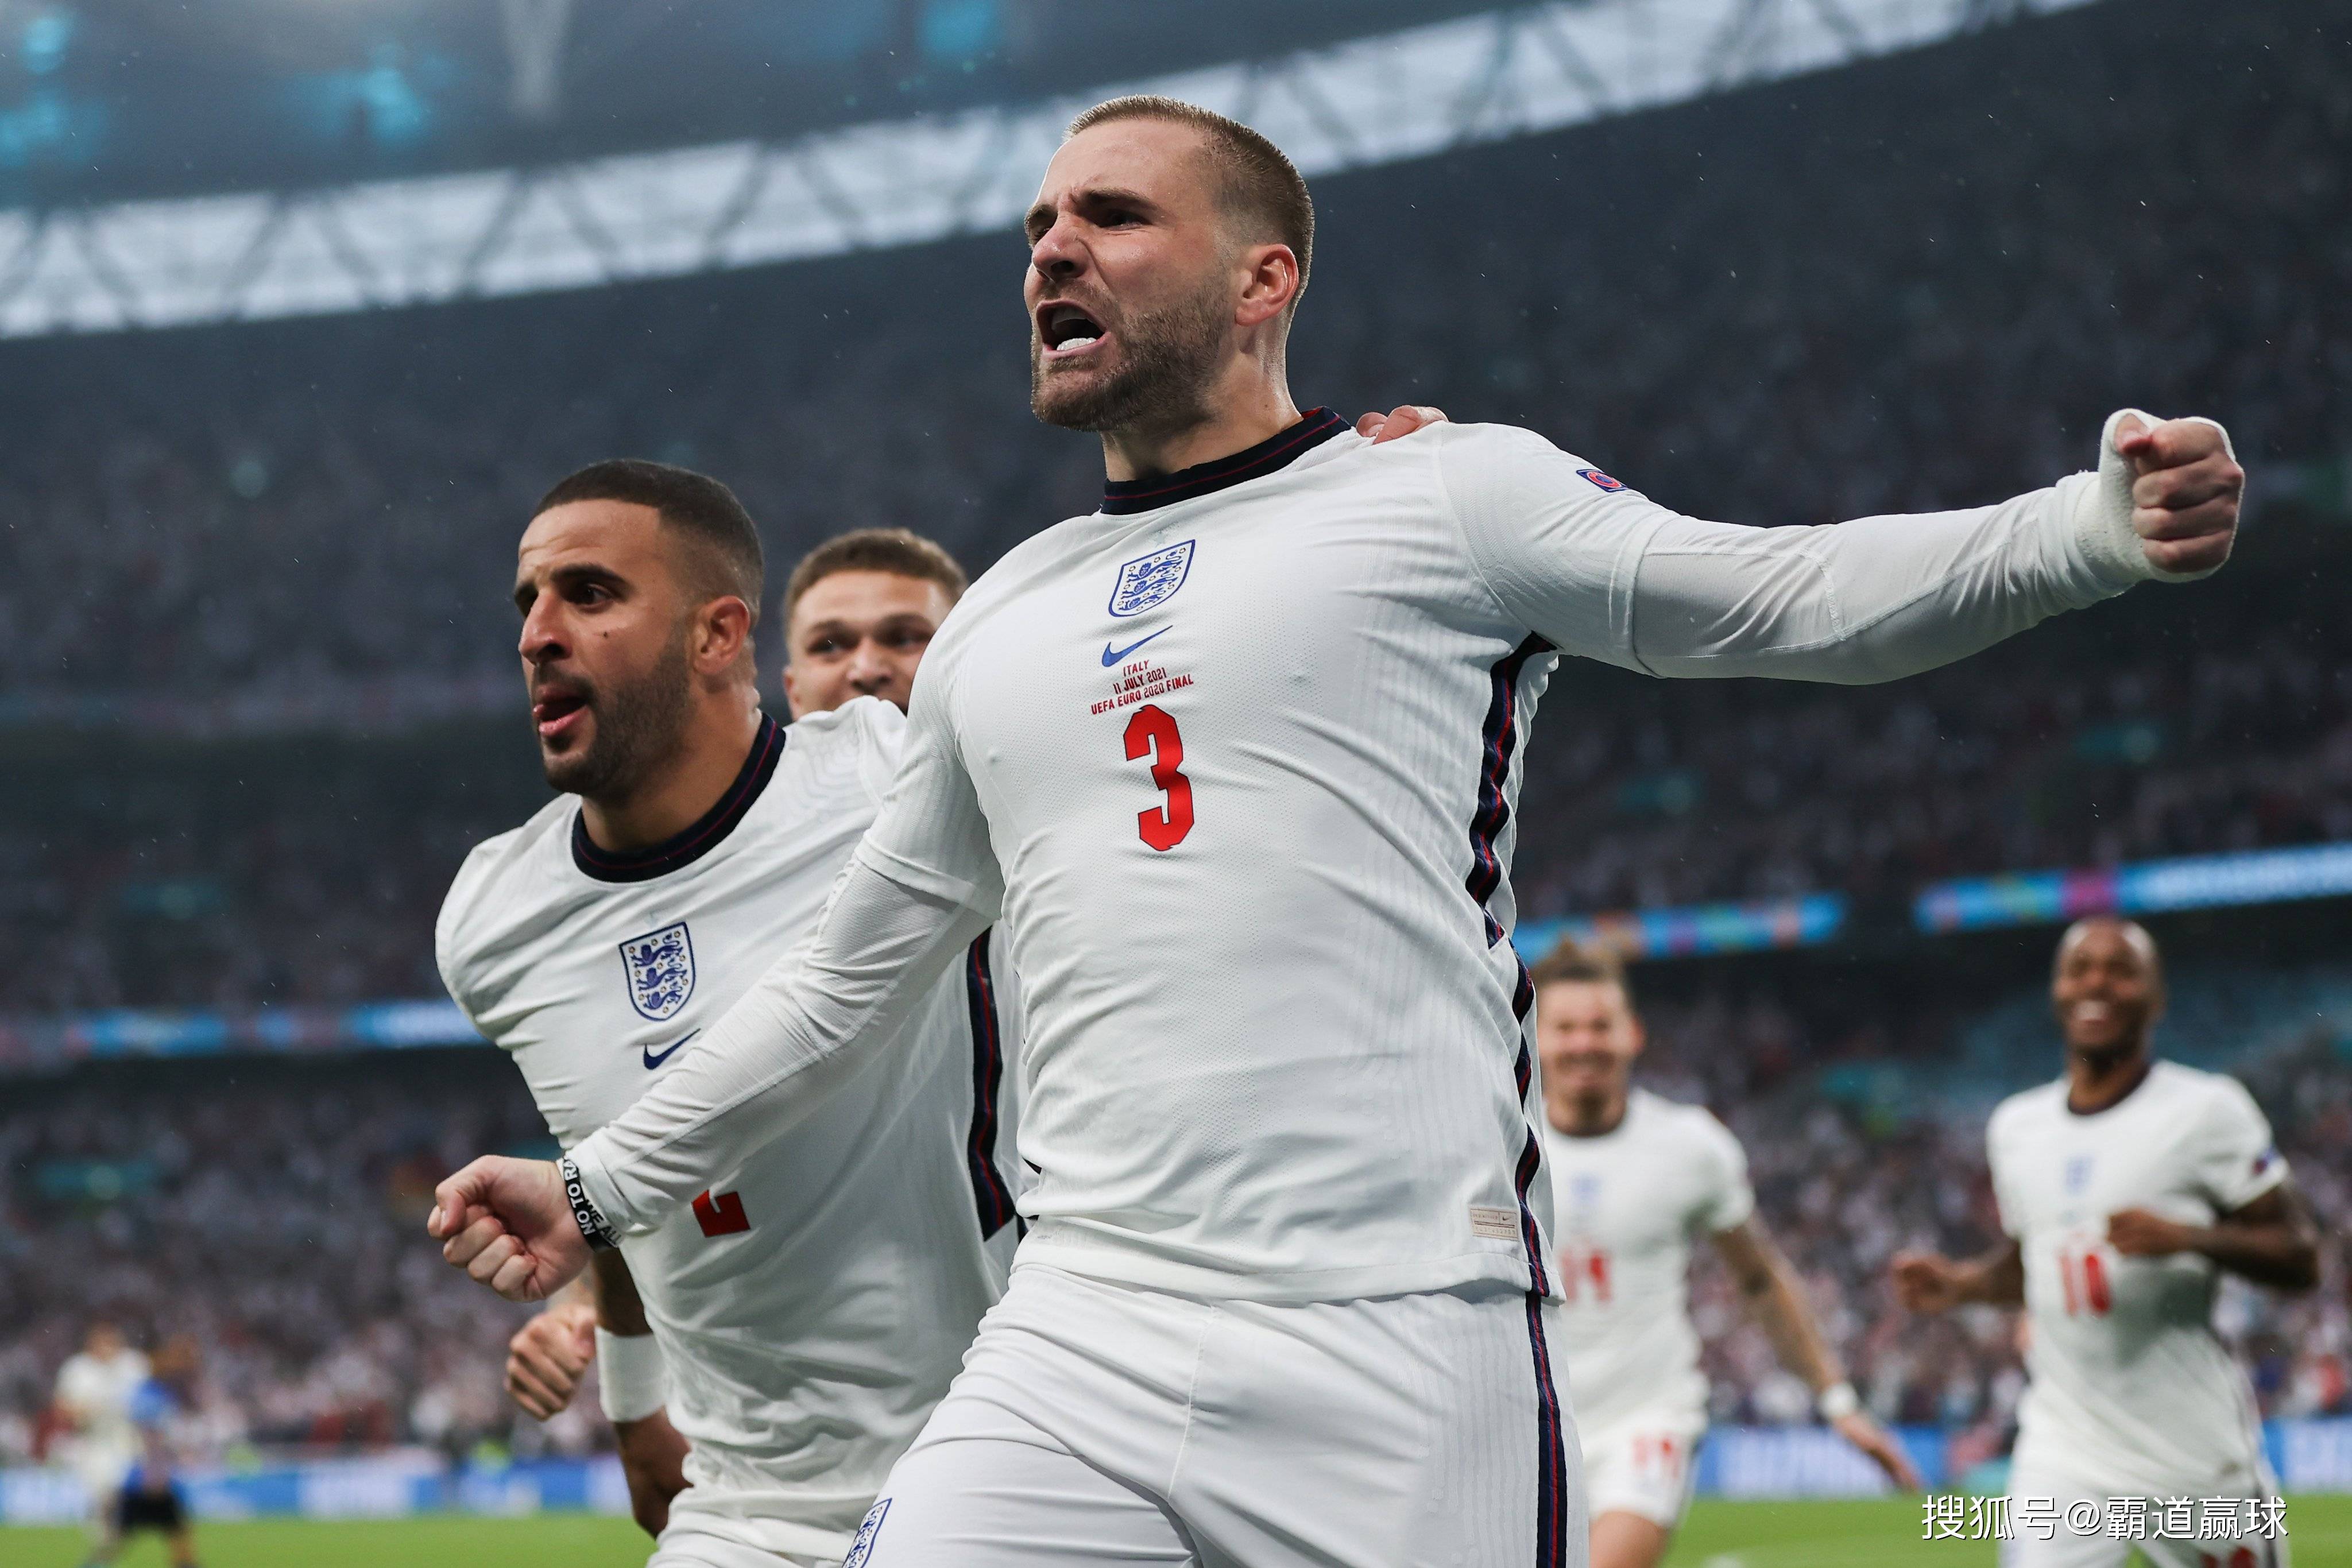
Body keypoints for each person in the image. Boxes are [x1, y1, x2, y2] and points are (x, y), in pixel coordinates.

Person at [430, 95, 2243, 1566]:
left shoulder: (1446, 491)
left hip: (1404, 1329)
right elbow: (842, 978)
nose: (1052, 246)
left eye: (1113, 216)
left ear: (1261, 277)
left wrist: (2081, 533)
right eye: (1039, 227)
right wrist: (596, 1183)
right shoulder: (1001, 617)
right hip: (1082, 1328)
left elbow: (1769, 597)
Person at [438, 481, 1029, 1568]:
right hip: (749, 1508)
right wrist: (628, 1387)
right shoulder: (493, 922)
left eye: (591, 592)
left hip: (1009, 1457)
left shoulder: (892, 781)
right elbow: (604, 1151)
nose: (536, 633)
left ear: (720, 634)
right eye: (528, 600)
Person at [1893, 917, 2316, 1568]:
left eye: (2120, 969)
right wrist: (1963, 1285)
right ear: (2057, 991)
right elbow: (2034, 1261)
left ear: (2157, 996)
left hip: (2188, 1445)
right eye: (2079, 967)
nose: (2097, 982)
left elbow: (2299, 1254)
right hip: (2063, 1445)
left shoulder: (2206, 1111)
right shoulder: (2016, 1126)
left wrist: (2189, 1237)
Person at [1532, 940, 1920, 1568]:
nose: (1584, 1043)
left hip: (1648, 1418)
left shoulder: (1690, 1146)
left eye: (1600, 1025)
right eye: (1565, 1027)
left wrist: (1837, 1402)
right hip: (1534, 1421)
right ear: (1534, 1035)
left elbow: (1760, 1278)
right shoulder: (1505, 1146)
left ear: (1632, 1033)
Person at [80, 1334, 202, 1568]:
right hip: (148, 1481)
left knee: (173, 1539)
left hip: (144, 1480)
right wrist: (156, 1476)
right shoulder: (151, 1395)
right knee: (176, 1540)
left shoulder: (152, 1392)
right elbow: (150, 1439)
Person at [53, 1322, 148, 1557]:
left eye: (112, 1343)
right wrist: (86, 1411)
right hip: (95, 1443)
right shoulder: (78, 1369)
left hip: (129, 1439)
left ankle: (116, 1537)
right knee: (103, 1495)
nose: (108, 1349)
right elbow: (62, 1408)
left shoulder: (131, 1364)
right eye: (102, 1344)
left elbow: (153, 1384)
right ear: (91, 1346)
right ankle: (106, 1540)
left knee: (125, 1491)